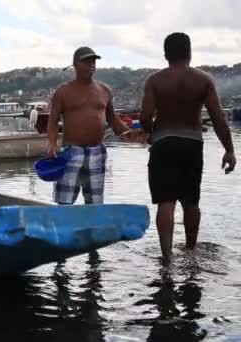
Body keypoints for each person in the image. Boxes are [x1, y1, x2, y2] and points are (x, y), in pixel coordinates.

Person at [140, 32, 236, 261]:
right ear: (190, 53)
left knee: (166, 201)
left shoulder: (155, 81)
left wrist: (151, 133)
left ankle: (167, 258)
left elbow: (145, 116)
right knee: (191, 200)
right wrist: (229, 149)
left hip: (163, 142)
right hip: (192, 144)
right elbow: (218, 118)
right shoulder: (203, 80)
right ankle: (191, 251)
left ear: (165, 55)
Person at [47, 47, 131, 205]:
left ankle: (92, 229)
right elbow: (52, 121)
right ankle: (64, 229)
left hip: (97, 151)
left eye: (93, 61)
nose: (91, 64)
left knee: (95, 203)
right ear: (75, 64)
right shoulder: (63, 91)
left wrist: (128, 133)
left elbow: (112, 119)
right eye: (86, 61)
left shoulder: (104, 90)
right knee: (65, 202)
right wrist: (52, 143)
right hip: (71, 151)